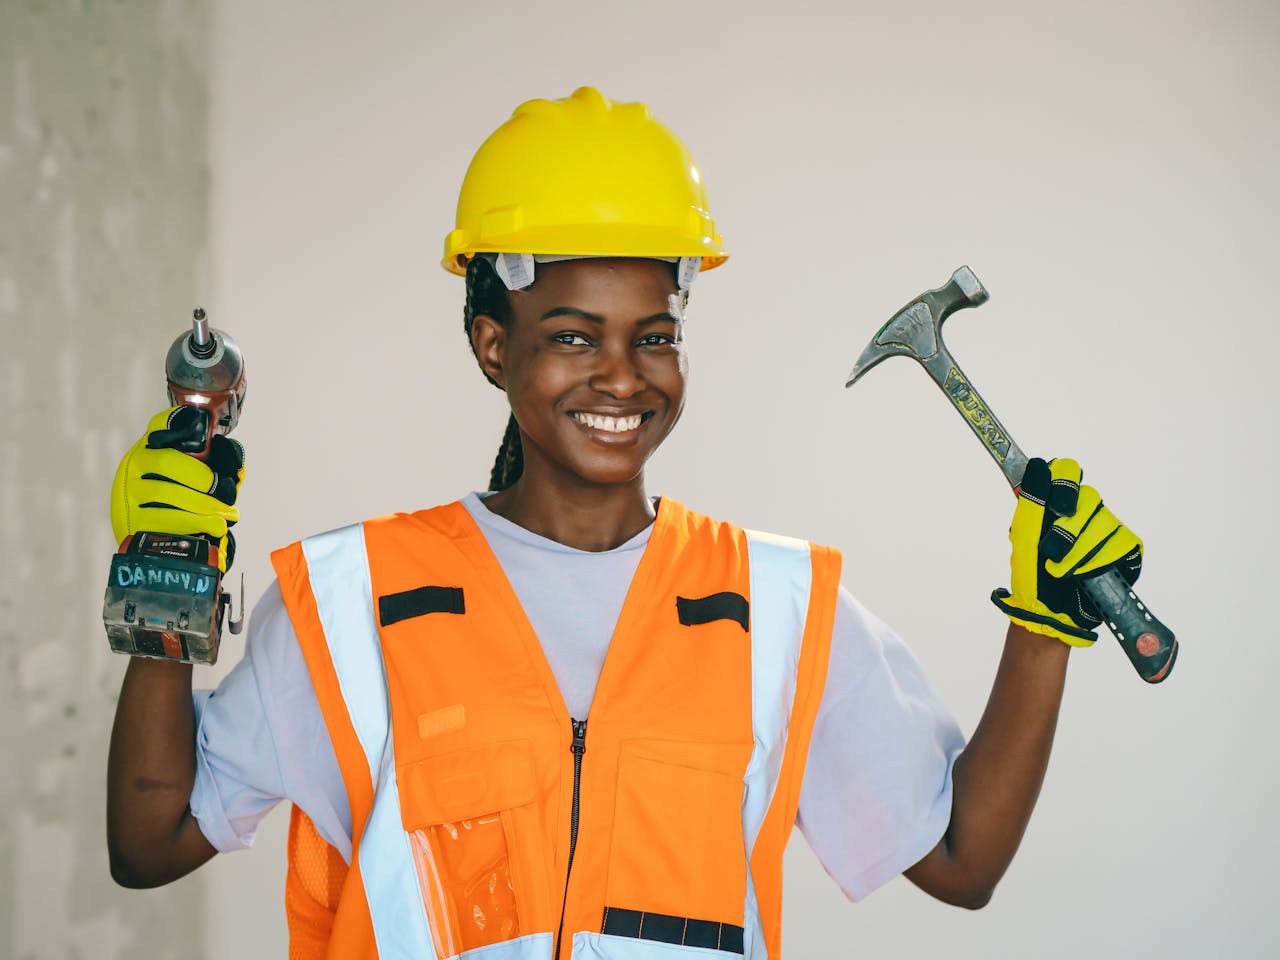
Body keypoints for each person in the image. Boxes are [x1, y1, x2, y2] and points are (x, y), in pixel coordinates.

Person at [105, 87, 1143, 959]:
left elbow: (960, 863)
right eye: (570, 334)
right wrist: (163, 580)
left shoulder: (779, 608)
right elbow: (148, 841)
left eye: (653, 336)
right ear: (489, 345)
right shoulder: (343, 601)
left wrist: (1044, 627)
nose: (618, 376)